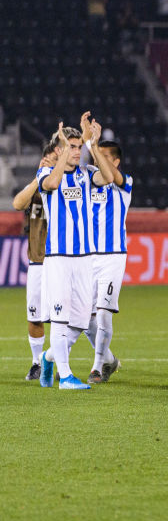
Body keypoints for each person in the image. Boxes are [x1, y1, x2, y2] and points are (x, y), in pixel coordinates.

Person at [35, 123, 95, 390]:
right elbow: (53, 183)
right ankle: (66, 376)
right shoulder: (46, 172)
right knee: (59, 318)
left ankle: (49, 358)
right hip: (58, 256)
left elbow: (109, 177)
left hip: (84, 258)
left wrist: (92, 142)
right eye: (72, 147)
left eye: (79, 147)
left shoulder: (85, 175)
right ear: (59, 150)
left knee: (82, 321)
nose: (77, 152)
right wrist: (61, 157)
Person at [80, 115, 132, 384]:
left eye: (105, 155)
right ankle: (110, 360)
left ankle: (97, 367)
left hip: (112, 257)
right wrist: (85, 141)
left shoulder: (125, 183)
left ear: (117, 160)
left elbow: (110, 175)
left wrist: (93, 145)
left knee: (102, 312)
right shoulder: (87, 178)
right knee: (84, 318)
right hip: (88, 257)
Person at [12, 139, 58, 380]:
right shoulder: (36, 191)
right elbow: (17, 203)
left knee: (63, 317)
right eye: (46, 160)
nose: (48, 165)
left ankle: (59, 360)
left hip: (61, 260)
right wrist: (35, 179)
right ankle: (36, 362)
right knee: (35, 315)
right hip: (38, 262)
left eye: (53, 161)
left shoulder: (64, 188)